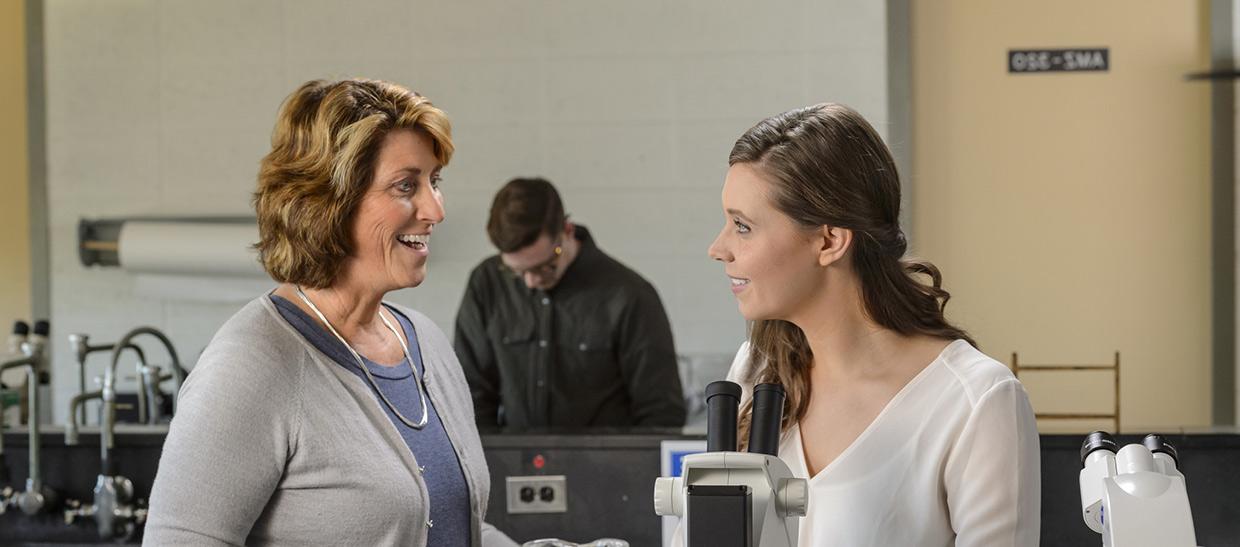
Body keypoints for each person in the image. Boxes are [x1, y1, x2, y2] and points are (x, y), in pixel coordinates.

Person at [146, 79, 514, 546]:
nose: (435, 208)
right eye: (406, 185)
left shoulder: (426, 343)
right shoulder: (251, 366)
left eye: (434, 181)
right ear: (329, 203)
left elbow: (458, 527)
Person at [702, 103, 1040, 545]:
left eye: (742, 226)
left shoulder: (977, 400)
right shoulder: (756, 369)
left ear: (829, 241)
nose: (718, 248)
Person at [455, 178, 686, 428]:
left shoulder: (630, 296)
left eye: (545, 266)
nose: (531, 282)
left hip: (606, 465)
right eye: (517, 272)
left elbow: (661, 413)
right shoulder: (486, 283)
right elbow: (471, 395)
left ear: (566, 230)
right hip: (511, 463)